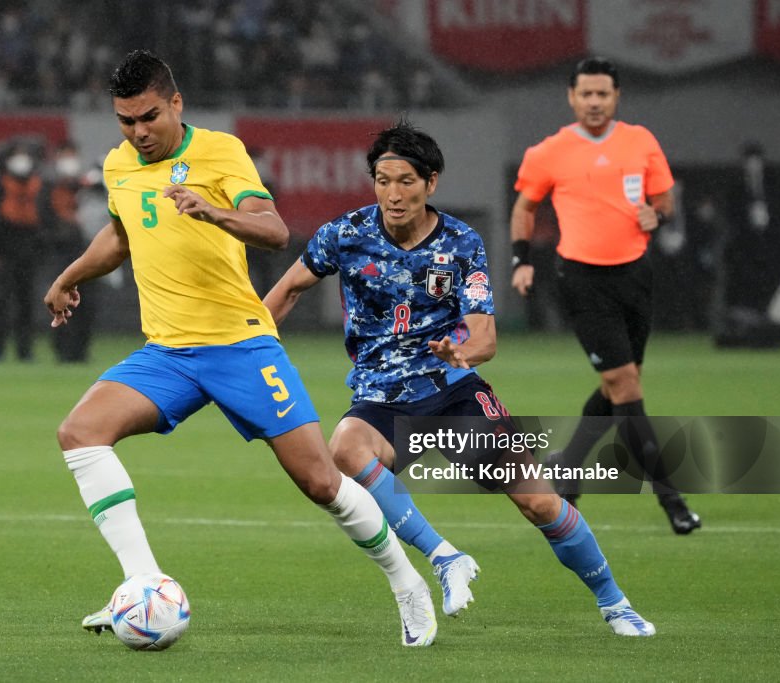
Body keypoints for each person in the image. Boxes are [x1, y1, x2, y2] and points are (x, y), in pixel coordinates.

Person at [42, 50, 438, 647]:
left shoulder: (221, 152)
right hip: (168, 353)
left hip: (240, 346)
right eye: (126, 121)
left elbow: (275, 231)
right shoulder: (120, 165)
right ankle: (143, 585)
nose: (139, 132)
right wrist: (69, 277)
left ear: (176, 103)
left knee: (321, 482)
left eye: (149, 116)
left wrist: (214, 212)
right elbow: (121, 234)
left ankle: (407, 584)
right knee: (79, 433)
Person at [263, 119, 656, 637]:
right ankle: (447, 558)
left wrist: (460, 351)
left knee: (538, 500)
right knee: (345, 447)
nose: (393, 194)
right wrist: (249, 346)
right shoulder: (346, 234)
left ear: (432, 182)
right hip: (381, 396)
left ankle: (615, 603)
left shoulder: (460, 242)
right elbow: (287, 290)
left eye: (406, 181)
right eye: (383, 180)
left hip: (452, 389)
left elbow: (486, 338)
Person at [509, 57, 701, 534]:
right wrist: (522, 260)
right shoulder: (549, 152)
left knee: (618, 383)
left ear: (616, 97)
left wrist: (658, 215)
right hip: (581, 279)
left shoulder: (641, 141)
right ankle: (673, 502)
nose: (594, 102)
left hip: (635, 276)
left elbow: (666, 202)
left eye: (603, 94)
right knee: (627, 388)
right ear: (571, 98)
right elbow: (524, 208)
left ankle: (567, 471)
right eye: (586, 94)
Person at [0, 139, 44, 362]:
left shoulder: (37, 186)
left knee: (26, 304)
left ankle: (25, 351)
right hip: (3, 254)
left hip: (28, 254)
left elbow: (43, 222)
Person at [39, 140, 92, 363]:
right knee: (60, 301)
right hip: (60, 254)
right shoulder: (49, 189)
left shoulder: (87, 186)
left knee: (87, 303)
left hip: (87, 255)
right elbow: (43, 221)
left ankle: (80, 351)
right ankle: (62, 351)